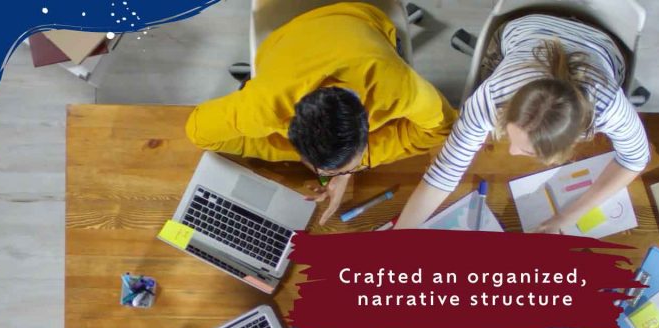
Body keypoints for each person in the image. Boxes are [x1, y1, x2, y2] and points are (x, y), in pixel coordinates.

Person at [185, 2, 457, 223]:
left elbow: (443, 128)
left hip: (361, 12)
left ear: (368, 128)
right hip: (294, 30)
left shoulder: (398, 86)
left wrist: (347, 169)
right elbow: (198, 131)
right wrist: (341, 167)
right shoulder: (263, 104)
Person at [396, 14, 651, 231]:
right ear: (507, 110)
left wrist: (565, 217)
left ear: (572, 142)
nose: (512, 151)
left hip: (598, 42)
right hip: (522, 27)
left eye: (527, 150)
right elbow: (442, 175)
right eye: (511, 134)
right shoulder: (492, 96)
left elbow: (636, 160)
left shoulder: (609, 106)